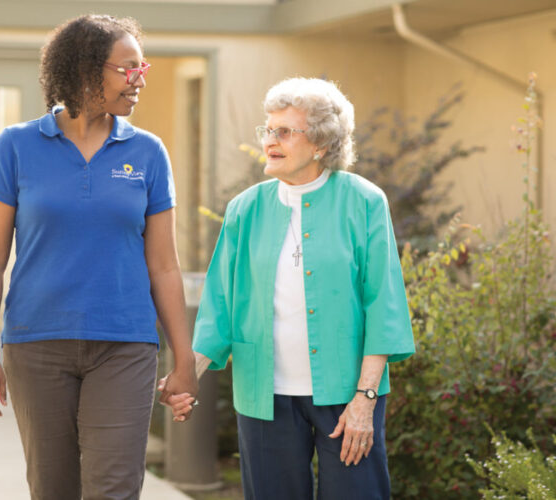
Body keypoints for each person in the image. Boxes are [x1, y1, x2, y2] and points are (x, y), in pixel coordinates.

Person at [0, 15, 198, 500]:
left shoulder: (149, 153)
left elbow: (164, 266)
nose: (139, 79)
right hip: (37, 344)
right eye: (127, 68)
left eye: (143, 67)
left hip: (125, 344)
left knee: (114, 488)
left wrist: (183, 359)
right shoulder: (16, 146)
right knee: (52, 487)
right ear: (86, 70)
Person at [162, 77, 415, 499]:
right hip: (264, 397)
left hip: (347, 394)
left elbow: (383, 304)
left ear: (320, 143)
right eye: (268, 129)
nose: (269, 140)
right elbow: (220, 306)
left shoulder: (364, 202)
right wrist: (188, 376)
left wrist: (365, 399)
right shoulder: (245, 209)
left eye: (284, 131)